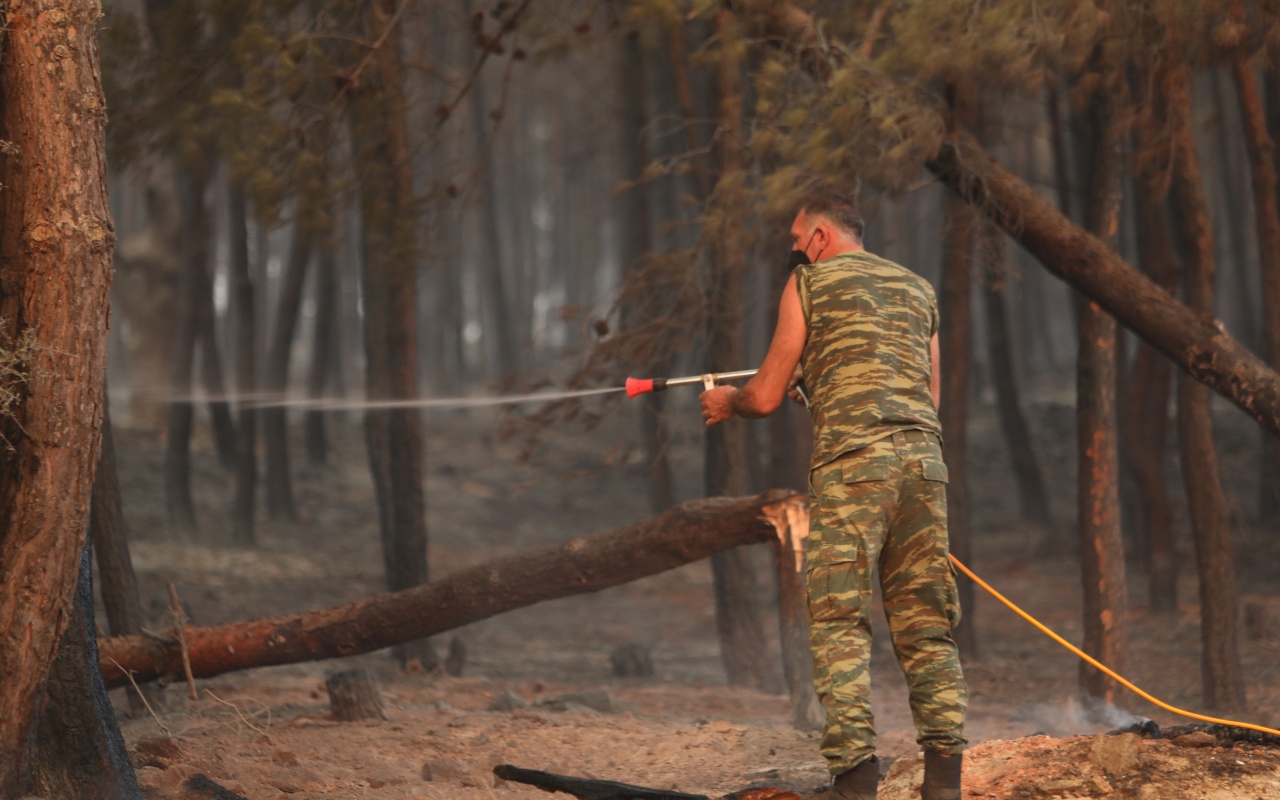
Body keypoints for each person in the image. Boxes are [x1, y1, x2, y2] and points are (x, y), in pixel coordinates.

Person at [699, 191, 967, 800]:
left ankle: (854, 788)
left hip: (853, 471)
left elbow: (766, 395)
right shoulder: (918, 289)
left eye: (798, 238)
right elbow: (926, 399)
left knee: (841, 623)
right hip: (923, 467)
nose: (794, 248)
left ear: (820, 238)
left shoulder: (808, 284)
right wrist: (819, 388)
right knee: (927, 628)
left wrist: (729, 401)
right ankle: (945, 787)